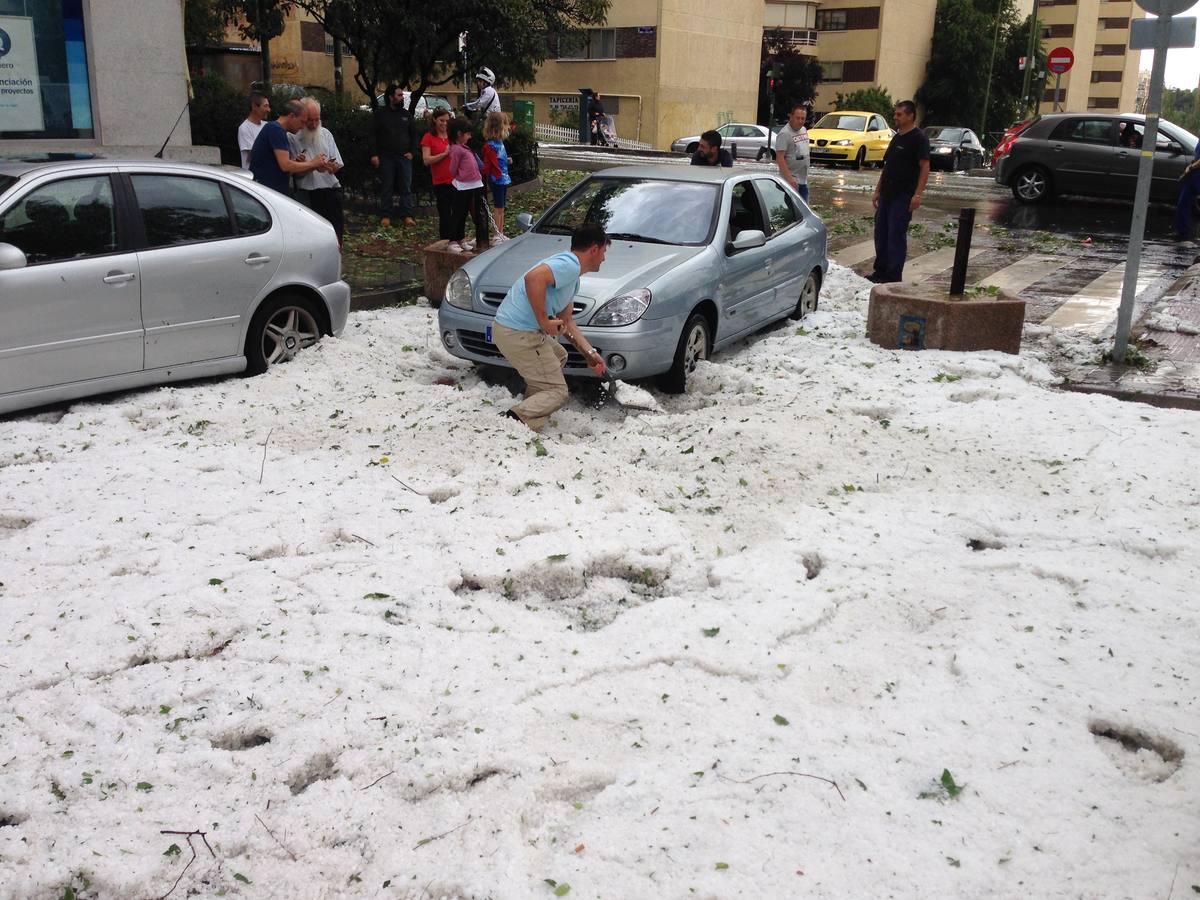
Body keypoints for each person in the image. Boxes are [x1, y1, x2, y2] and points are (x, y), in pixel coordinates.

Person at [493, 223, 610, 431]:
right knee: (558, 393)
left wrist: (591, 355)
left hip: (514, 331)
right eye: (604, 251)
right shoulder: (570, 264)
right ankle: (511, 421)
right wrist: (544, 321)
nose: (604, 258)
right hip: (517, 332)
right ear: (595, 249)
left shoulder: (572, 279)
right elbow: (533, 278)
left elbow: (568, 324)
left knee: (558, 356)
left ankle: (528, 413)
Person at [870, 100, 930, 284]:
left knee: (896, 235)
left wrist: (917, 194)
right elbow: (888, 166)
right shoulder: (897, 137)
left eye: (899, 114)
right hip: (887, 193)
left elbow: (925, 166)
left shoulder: (919, 138)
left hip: (903, 195)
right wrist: (878, 190)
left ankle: (893, 276)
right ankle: (879, 271)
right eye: (895, 114)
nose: (895, 117)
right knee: (881, 233)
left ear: (910, 116)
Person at [290, 97, 345, 247]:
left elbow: (337, 164)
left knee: (335, 236)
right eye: (309, 120)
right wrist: (309, 165)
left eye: (317, 120)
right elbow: (295, 173)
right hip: (308, 193)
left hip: (330, 189)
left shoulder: (326, 133)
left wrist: (330, 167)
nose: (314, 124)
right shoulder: (293, 137)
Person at [248, 99, 326, 196]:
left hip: (269, 191)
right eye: (302, 122)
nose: (303, 127)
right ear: (292, 116)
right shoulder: (276, 130)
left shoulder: (276, 130)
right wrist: (313, 163)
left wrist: (296, 163)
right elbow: (285, 166)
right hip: (267, 193)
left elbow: (281, 166)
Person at [370, 84, 416, 227]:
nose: (402, 97)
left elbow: (414, 135)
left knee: (406, 187)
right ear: (391, 97)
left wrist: (413, 152)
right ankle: (386, 215)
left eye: (402, 95)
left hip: (404, 157)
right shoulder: (380, 114)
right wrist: (374, 154)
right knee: (387, 186)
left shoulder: (406, 115)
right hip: (386, 156)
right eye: (399, 95)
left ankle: (407, 215)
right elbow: (373, 135)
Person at [446, 117, 489, 253]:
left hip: (471, 185)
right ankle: (453, 239)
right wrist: (459, 176)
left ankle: (461, 238)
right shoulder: (457, 149)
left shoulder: (465, 148)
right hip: (462, 185)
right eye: (468, 134)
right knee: (458, 214)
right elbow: (453, 168)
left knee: (464, 213)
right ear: (459, 134)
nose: (470, 137)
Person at [421, 108, 454, 241]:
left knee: (456, 212)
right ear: (435, 120)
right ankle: (445, 240)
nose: (444, 124)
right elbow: (426, 160)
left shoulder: (451, 136)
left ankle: (457, 238)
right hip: (441, 181)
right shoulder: (428, 137)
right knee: (445, 213)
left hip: (456, 179)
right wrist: (444, 154)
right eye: (441, 120)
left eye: (447, 121)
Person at [482, 111, 513, 240]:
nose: (508, 127)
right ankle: (496, 234)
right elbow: (490, 164)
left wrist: (507, 160)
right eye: (505, 125)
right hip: (497, 178)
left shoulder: (499, 143)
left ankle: (500, 232)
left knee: (502, 207)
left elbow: (499, 160)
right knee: (498, 207)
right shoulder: (490, 146)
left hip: (502, 177)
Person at [774, 103, 811, 201]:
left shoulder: (803, 130)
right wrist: (789, 178)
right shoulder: (784, 134)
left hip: (803, 180)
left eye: (803, 118)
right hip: (791, 181)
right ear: (791, 117)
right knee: (795, 212)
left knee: (804, 211)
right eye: (797, 118)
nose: (800, 121)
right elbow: (780, 158)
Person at [238, 92, 270, 170]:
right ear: (254, 106)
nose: (269, 110)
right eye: (265, 106)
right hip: (253, 176)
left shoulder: (267, 125)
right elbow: (254, 155)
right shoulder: (245, 128)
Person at [1177, 142, 1200, 243]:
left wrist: (1191, 167)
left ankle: (1183, 232)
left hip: (1197, 174)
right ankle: (1183, 231)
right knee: (1183, 203)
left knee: (1183, 203)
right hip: (1194, 175)